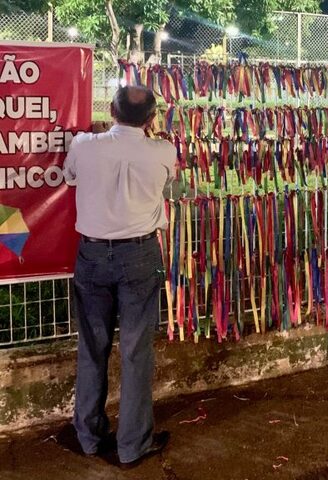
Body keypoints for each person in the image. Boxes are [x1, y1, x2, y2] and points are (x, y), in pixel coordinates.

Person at [63, 85, 175, 468]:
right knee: (136, 351)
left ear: (111, 110)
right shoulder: (163, 151)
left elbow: (71, 177)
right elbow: (168, 181)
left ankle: (89, 436)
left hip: (92, 253)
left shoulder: (83, 145)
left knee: (92, 347)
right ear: (151, 118)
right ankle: (132, 444)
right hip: (140, 255)